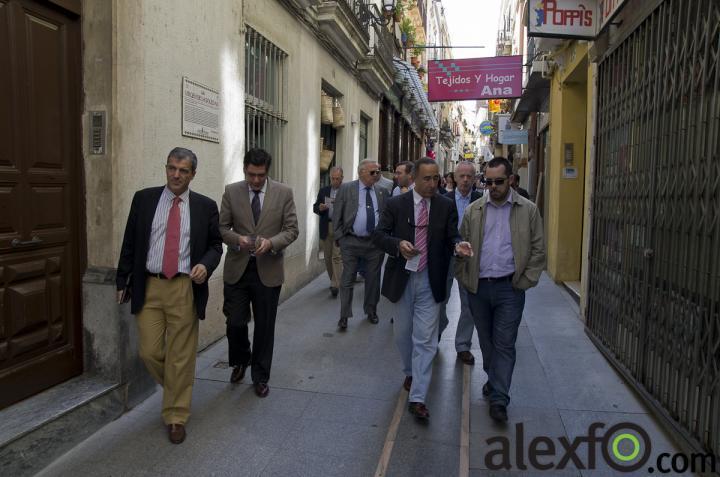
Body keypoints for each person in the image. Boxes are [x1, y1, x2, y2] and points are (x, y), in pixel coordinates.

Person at [116, 147, 223, 444]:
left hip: (183, 287)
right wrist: (121, 279)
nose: (176, 175)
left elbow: (216, 245)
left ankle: (176, 415)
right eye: (172, 168)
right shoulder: (144, 199)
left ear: (193, 174)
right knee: (149, 352)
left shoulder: (205, 206)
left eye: (183, 170)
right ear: (166, 168)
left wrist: (205, 264)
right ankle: (179, 387)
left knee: (181, 355)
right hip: (148, 285)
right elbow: (130, 241)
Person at [373, 157, 473, 420]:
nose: (432, 183)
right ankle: (410, 371)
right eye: (426, 178)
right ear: (414, 178)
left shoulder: (446, 205)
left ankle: (418, 396)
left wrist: (458, 246)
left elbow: (452, 235)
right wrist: (398, 245)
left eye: (436, 178)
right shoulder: (396, 204)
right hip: (402, 279)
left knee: (426, 340)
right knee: (403, 334)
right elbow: (379, 235)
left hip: (432, 278)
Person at [455, 157, 545, 423]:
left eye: (498, 181)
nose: (492, 186)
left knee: (504, 343)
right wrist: (462, 272)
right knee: (486, 342)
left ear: (511, 180)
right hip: (479, 288)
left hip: (510, 288)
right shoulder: (474, 210)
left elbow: (538, 250)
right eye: (488, 181)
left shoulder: (527, 210)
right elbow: (460, 244)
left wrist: (525, 280)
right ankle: (495, 380)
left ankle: (499, 398)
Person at [220, 148, 299, 398]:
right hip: (238, 269)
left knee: (265, 327)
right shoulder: (231, 191)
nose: (255, 180)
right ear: (244, 169)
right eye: (251, 174)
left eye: (260, 175)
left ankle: (260, 376)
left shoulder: (283, 193)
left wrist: (272, 243)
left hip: (268, 270)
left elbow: (291, 229)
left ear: (267, 171)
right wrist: (238, 239)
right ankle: (242, 358)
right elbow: (222, 227)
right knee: (235, 323)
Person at [333, 159, 389, 329]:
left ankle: (371, 310)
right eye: (373, 172)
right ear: (361, 172)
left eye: (378, 171)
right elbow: (337, 214)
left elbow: (385, 216)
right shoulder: (346, 188)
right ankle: (344, 315)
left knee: (373, 279)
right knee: (347, 278)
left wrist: (383, 239)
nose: (377, 175)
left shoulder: (382, 191)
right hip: (350, 241)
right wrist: (340, 237)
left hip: (374, 244)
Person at [438, 161, 483, 365]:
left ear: (475, 179)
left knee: (469, 305)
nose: (465, 179)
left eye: (469, 176)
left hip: (469, 259)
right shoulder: (442, 200)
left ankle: (463, 345)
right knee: (440, 301)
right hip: (446, 257)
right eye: (462, 176)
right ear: (454, 178)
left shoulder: (482, 200)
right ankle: (434, 337)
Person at [313, 166, 344, 297]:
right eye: (332, 178)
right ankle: (334, 279)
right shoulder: (324, 190)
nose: (335, 181)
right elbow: (315, 207)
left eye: (337, 179)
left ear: (342, 178)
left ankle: (335, 285)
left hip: (340, 227)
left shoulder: (347, 190)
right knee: (327, 257)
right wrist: (320, 207)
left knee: (336, 257)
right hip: (326, 226)